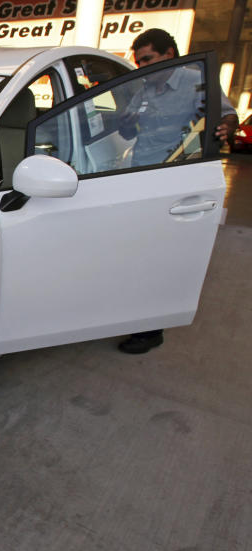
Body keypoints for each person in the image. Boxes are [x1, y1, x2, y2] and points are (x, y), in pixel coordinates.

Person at [118, 28, 238, 354]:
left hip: (177, 180)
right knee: (136, 254)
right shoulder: (142, 91)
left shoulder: (195, 80)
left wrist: (226, 126)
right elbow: (130, 133)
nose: (141, 67)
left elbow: (227, 114)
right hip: (141, 176)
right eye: (138, 61)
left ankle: (150, 329)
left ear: (169, 55)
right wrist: (126, 124)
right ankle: (126, 314)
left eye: (147, 60)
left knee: (159, 258)